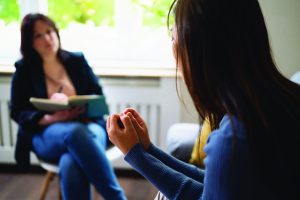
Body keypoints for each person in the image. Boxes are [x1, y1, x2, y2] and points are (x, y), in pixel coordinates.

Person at [106, 0, 300, 199]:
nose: (173, 46)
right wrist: (148, 150)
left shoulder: (233, 140)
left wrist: (136, 155)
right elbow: (212, 183)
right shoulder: (281, 100)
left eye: (174, 35)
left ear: (201, 50)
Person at [10, 13, 126, 200]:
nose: (47, 38)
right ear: (29, 42)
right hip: (47, 133)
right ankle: (117, 197)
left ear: (56, 32)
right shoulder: (24, 69)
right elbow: (17, 111)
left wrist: (80, 105)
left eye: (49, 31)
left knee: (71, 161)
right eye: (38, 35)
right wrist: (52, 117)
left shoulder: (77, 61)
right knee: (74, 133)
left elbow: (98, 96)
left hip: (89, 124)